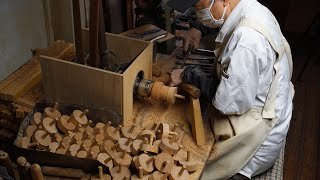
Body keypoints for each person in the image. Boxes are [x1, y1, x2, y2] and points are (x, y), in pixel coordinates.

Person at [167, 0, 294, 179]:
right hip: (263, 104)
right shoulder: (248, 7)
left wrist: (189, 74)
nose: (198, 13)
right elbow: (221, 17)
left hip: (256, 141)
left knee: (192, 169)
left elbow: (226, 103)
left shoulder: (247, 40)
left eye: (199, 7)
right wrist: (198, 28)